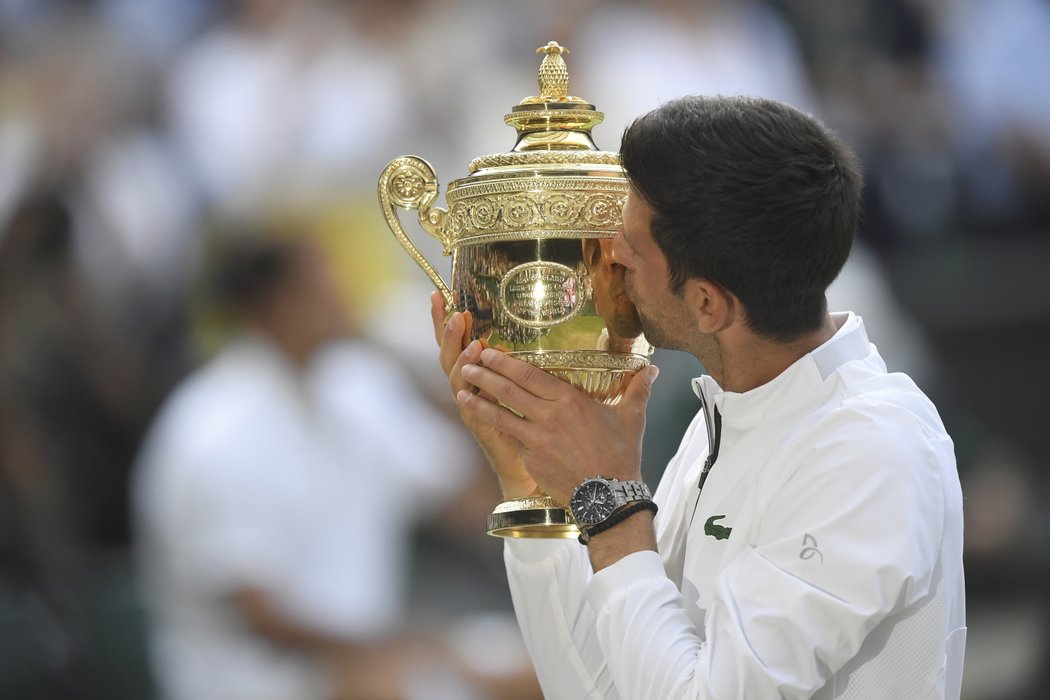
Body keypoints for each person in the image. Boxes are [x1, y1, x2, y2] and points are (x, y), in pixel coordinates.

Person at [432, 96, 966, 698]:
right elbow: (600, 690)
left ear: (709, 304)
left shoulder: (871, 451)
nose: (608, 253)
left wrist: (613, 506)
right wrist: (537, 488)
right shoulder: (729, 410)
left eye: (631, 241)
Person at [133, 232, 537, 700]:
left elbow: (472, 501)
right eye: (319, 283)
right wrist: (398, 650)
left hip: (375, 653)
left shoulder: (356, 385)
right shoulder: (208, 429)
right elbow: (259, 615)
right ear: (274, 305)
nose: (338, 294)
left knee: (544, 663)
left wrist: (462, 383)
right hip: (258, 678)